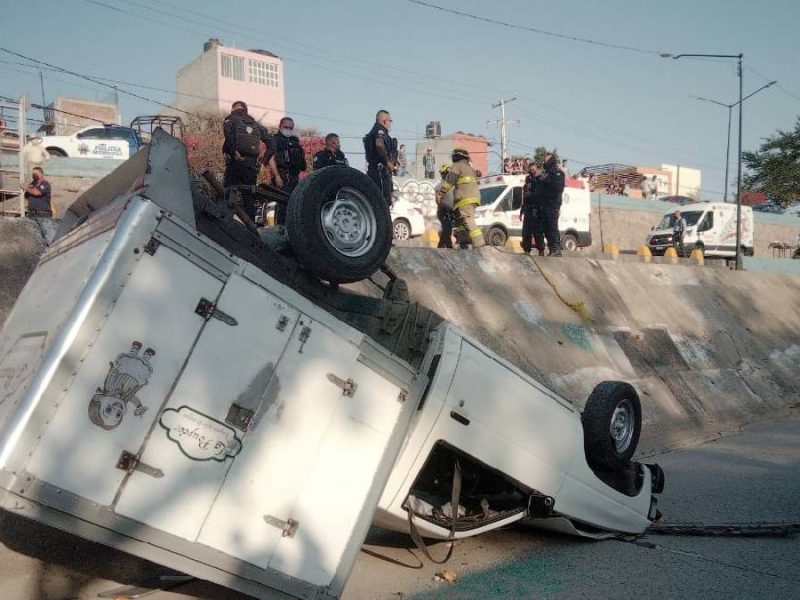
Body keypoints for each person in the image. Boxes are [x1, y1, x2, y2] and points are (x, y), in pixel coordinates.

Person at [222, 100, 271, 222]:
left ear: (233, 109)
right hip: (250, 165)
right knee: (249, 197)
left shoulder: (230, 120)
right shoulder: (256, 125)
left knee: (228, 193)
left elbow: (228, 136)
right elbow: (272, 144)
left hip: (234, 163)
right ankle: (251, 227)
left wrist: (234, 152)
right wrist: (262, 161)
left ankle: (225, 223)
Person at [439, 147, 485, 249]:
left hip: (465, 199)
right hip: (471, 198)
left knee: (467, 219)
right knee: (460, 222)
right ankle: (463, 242)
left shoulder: (457, 165)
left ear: (456, 156)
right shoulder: (469, 168)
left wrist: (442, 192)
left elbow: (451, 180)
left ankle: (479, 243)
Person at [269, 116, 307, 225]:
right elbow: (271, 159)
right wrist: (277, 176)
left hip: (294, 177)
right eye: (286, 127)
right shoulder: (275, 139)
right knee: (281, 205)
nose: (288, 129)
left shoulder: (295, 141)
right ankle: (280, 229)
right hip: (282, 175)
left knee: (293, 206)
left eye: (291, 127)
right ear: (280, 127)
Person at [532, 153, 565, 256]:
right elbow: (539, 191)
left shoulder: (558, 173)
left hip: (553, 205)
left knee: (552, 227)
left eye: (546, 160)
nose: (544, 163)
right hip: (543, 205)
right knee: (545, 228)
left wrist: (546, 180)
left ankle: (556, 249)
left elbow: (558, 188)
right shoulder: (544, 174)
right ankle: (551, 248)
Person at [363, 109, 397, 206]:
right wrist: (388, 162)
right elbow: (379, 144)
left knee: (386, 201)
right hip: (379, 171)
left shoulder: (377, 131)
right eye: (390, 121)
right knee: (382, 202)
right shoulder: (379, 130)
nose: (390, 124)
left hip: (382, 171)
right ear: (384, 121)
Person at [520, 162, 541, 254]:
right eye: (531, 169)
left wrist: (531, 194)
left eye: (534, 169)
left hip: (536, 209)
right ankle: (526, 250)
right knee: (526, 232)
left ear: (536, 169)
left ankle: (541, 250)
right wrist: (521, 211)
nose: (532, 171)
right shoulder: (527, 180)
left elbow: (541, 194)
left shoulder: (539, 180)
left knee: (537, 231)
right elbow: (524, 198)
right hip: (528, 209)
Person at [434, 163, 455, 248]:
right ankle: (449, 247)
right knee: (447, 229)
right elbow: (438, 201)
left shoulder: (451, 185)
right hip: (443, 211)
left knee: (446, 230)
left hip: (449, 211)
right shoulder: (439, 187)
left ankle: (440, 247)